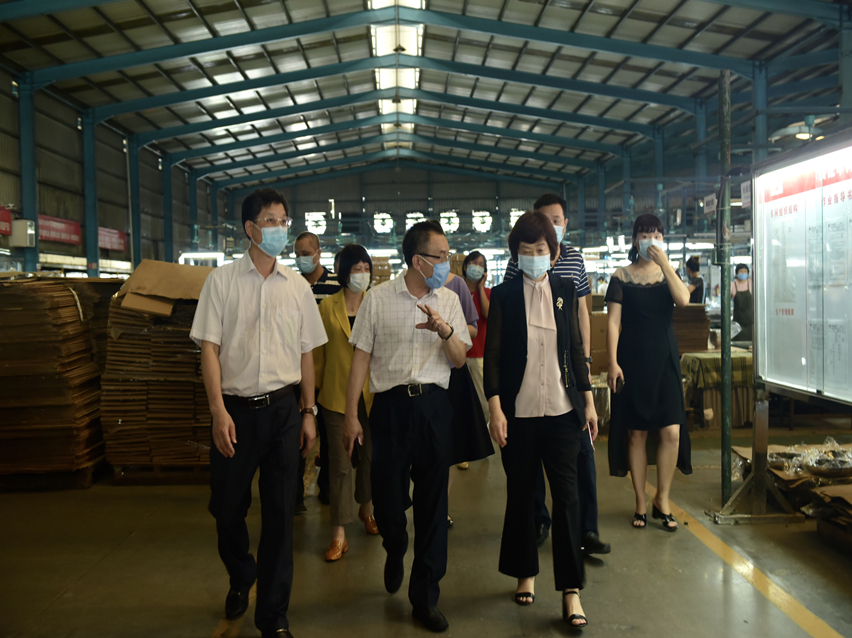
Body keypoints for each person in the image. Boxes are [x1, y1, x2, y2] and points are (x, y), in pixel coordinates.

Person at [191, 188, 328, 638]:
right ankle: (241, 573)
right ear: (250, 228)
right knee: (226, 508)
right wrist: (217, 411)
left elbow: (306, 354)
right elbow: (209, 350)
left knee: (280, 516)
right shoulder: (222, 282)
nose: (280, 228)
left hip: (284, 411)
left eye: (284, 220)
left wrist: (308, 412)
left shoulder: (297, 288)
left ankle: (273, 617)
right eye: (271, 220)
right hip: (235, 413)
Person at [344, 220, 472, 633]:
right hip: (390, 410)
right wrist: (351, 415)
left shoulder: (449, 299)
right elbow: (360, 358)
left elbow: (459, 360)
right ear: (418, 261)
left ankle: (425, 597)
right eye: (441, 256)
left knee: (434, 506)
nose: (447, 262)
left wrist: (444, 330)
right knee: (387, 499)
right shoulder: (378, 299)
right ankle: (396, 543)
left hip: (434, 408)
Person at [484, 211, 597, 628]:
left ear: (553, 253)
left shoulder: (565, 290)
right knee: (522, 495)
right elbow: (493, 358)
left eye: (541, 249)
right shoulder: (504, 296)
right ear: (516, 254)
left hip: (563, 413)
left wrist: (588, 401)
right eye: (526, 250)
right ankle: (524, 573)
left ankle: (571, 591)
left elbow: (575, 349)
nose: (534, 255)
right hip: (520, 414)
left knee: (566, 498)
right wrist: (496, 409)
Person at [504, 193, 608, 556]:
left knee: (582, 453)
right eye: (545, 219)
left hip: (569, 374)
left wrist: (586, 363)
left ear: (565, 224)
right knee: (532, 459)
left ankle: (586, 528)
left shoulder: (574, 260)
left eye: (557, 220)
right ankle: (539, 521)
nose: (552, 225)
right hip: (532, 379)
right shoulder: (518, 261)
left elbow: (582, 313)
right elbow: (511, 315)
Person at [605, 213, 692, 533]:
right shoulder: (621, 276)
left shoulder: (669, 274)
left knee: (671, 432)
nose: (650, 240)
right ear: (634, 240)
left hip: (665, 360)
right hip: (632, 360)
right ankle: (641, 501)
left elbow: (684, 300)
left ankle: (662, 499)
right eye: (644, 234)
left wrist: (666, 264)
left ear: (663, 240)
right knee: (636, 433)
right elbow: (613, 322)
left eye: (656, 234)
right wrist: (612, 362)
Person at [313, 243, 378, 562]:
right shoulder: (327, 307)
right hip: (336, 397)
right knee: (339, 464)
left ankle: (367, 508)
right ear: (344, 273)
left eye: (366, 269)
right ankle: (339, 533)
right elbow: (318, 355)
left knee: (369, 460)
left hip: (373, 396)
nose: (362, 274)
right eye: (356, 269)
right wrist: (312, 398)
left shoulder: (375, 304)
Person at [294, 231, 339, 509]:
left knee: (330, 437)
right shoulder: (291, 285)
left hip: (330, 372)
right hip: (299, 372)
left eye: (306, 253)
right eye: (297, 254)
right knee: (298, 436)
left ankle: (328, 488)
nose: (301, 259)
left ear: (318, 253)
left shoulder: (336, 285)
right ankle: (294, 494)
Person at [462, 251, 491, 425]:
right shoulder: (456, 291)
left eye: (481, 265)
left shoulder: (487, 293)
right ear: (466, 266)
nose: (477, 267)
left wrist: (480, 288)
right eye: (474, 263)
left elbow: (487, 314)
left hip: (480, 354)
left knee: (484, 401)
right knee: (462, 399)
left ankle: (482, 433)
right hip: (459, 354)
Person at [730, 264, 753, 341]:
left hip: (750, 323)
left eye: (745, 271)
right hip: (737, 324)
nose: (743, 273)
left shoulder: (752, 284)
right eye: (741, 271)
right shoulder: (732, 285)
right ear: (737, 273)